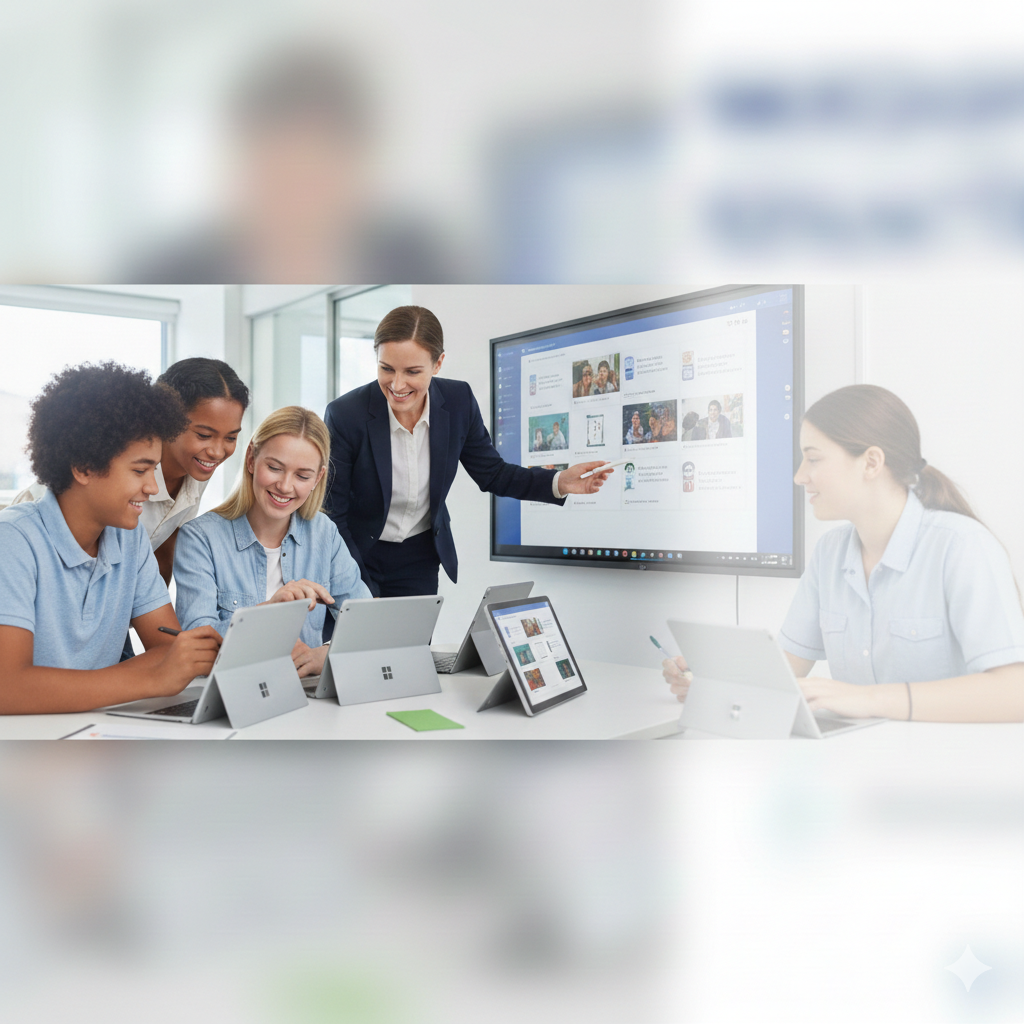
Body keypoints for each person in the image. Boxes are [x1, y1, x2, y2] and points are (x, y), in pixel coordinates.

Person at [663, 385, 1024, 722]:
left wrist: (868, 699)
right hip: (856, 760)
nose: (800, 476)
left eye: (813, 459)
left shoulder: (962, 547)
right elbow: (783, 668)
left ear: (871, 463)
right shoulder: (830, 553)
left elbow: (1014, 691)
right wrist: (708, 680)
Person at [323, 305, 614, 599]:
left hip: (419, 556)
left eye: (412, 371)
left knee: (410, 644)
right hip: (356, 551)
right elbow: (334, 513)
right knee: (357, 641)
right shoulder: (346, 415)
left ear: (438, 364)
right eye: (386, 369)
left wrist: (559, 481)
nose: (397, 385)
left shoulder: (457, 401)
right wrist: (351, 576)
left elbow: (493, 473)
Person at [0, 363, 222, 714]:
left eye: (154, 469)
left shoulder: (128, 540)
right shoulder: (12, 540)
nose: (151, 487)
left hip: (94, 733)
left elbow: (167, 650)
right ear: (84, 467)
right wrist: (149, 680)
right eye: (139, 470)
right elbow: (7, 687)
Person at [13, 357, 248, 587]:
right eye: (204, 435)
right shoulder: (106, 479)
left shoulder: (195, 466)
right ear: (171, 418)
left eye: (231, 437)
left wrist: (152, 613)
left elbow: (163, 555)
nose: (217, 452)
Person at [174, 406, 371, 679]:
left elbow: (367, 625)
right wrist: (267, 613)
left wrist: (320, 657)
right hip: (232, 693)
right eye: (275, 468)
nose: (285, 486)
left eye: (302, 476)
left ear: (318, 478)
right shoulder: (200, 538)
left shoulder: (323, 532)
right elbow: (197, 643)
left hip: (305, 699)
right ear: (252, 460)